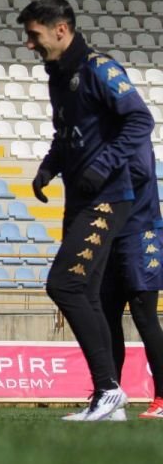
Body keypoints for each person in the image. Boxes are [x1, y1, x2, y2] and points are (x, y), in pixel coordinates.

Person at [19, 0, 154, 422]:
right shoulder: (58, 76)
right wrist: (47, 169)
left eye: (34, 35)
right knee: (88, 292)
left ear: (61, 29)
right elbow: (66, 134)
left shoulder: (101, 68)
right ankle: (107, 397)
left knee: (65, 285)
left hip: (108, 197)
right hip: (79, 197)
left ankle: (109, 390)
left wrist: (104, 166)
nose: (29, 45)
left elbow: (140, 120)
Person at [99, 141, 163, 419]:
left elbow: (140, 171)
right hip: (111, 235)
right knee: (106, 315)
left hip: (141, 232)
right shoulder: (100, 133)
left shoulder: (131, 129)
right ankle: (110, 397)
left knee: (144, 316)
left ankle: (161, 398)